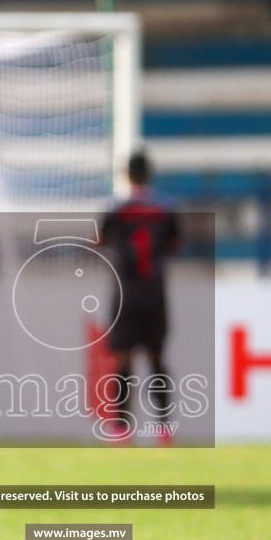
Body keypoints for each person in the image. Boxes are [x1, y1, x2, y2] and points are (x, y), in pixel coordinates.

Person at [99, 149, 181, 440]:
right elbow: (175, 243)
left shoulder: (114, 206)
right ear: (150, 173)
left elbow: (98, 239)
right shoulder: (166, 206)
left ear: (126, 174)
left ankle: (121, 427)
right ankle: (163, 428)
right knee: (156, 358)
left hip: (125, 292)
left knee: (122, 360)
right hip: (154, 291)